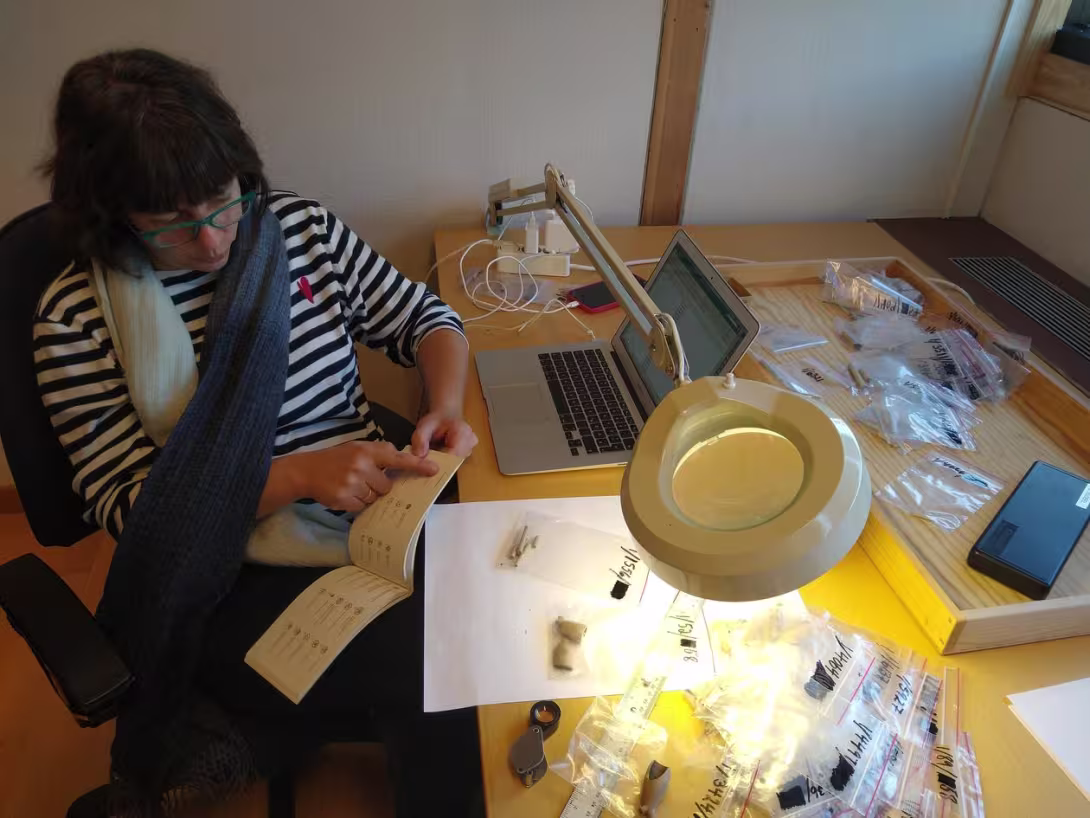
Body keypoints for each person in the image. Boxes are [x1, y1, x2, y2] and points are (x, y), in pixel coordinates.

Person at [34, 48, 481, 817]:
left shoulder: (297, 231)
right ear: (111, 213)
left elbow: (427, 319)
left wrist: (444, 404)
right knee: (443, 661)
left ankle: (273, 733)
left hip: (374, 513)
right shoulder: (75, 320)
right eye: (170, 223)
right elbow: (133, 514)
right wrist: (299, 478)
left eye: (220, 200)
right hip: (225, 577)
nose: (211, 241)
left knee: (504, 598)